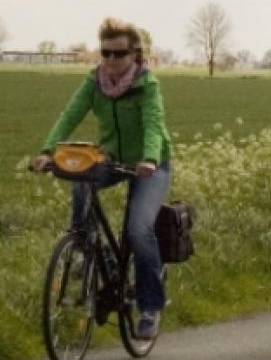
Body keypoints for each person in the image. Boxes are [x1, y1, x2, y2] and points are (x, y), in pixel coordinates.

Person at [34, 17, 172, 340]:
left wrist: (150, 159)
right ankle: (85, 245)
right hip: (113, 157)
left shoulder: (147, 85)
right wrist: (47, 150)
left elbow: (153, 124)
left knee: (138, 230)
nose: (111, 60)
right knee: (81, 176)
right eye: (105, 53)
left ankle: (150, 305)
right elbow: (70, 114)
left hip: (152, 164)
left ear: (135, 55)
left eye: (119, 54)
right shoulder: (94, 82)